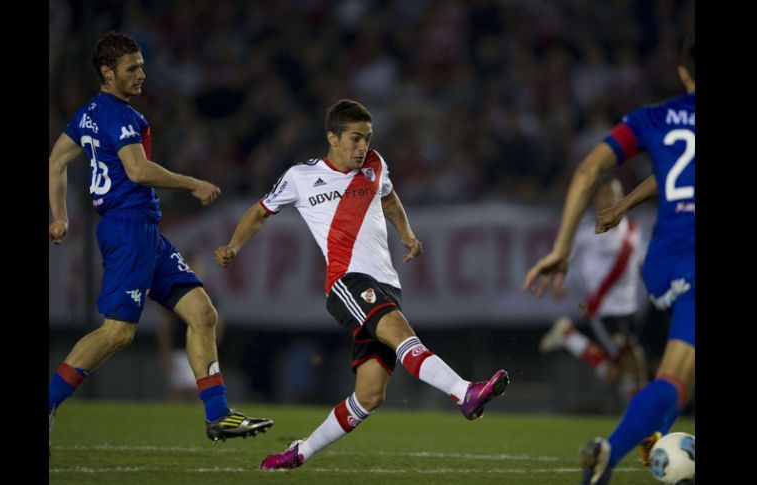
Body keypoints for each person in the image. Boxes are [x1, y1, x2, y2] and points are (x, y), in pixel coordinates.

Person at [215, 99, 510, 470]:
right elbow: (260, 212)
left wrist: (406, 232)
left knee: (369, 396)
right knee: (403, 336)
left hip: (387, 283)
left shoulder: (375, 164)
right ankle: (464, 392)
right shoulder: (300, 177)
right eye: (355, 139)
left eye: (367, 139)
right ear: (333, 138)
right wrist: (232, 246)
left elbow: (388, 197)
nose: (362, 147)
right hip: (346, 281)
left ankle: (298, 451)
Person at [48, 31, 272, 452]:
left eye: (142, 66)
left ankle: (218, 414)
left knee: (202, 313)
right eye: (132, 68)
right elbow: (137, 171)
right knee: (117, 333)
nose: (141, 74)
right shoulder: (121, 116)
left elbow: (56, 160)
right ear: (106, 72)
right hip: (128, 228)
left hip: (145, 232)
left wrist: (60, 216)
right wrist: (191, 183)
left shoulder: (88, 114)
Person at [523, 35, 694, 485]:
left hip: (668, 257)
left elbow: (587, 171)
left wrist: (562, 247)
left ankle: (620, 450)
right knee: (664, 373)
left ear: (682, 73)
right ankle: (617, 448)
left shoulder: (650, 118)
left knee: (673, 379)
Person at [538, 177, 648, 403]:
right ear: (596, 200)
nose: (609, 199)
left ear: (622, 198)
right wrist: (559, 280)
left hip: (628, 307)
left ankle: (568, 336)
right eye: (604, 194)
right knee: (633, 364)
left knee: (623, 371)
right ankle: (642, 424)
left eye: (614, 194)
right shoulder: (589, 231)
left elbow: (644, 261)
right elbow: (566, 255)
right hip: (604, 308)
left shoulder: (633, 229)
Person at [158, 252, 225, 403]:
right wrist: (165, 351)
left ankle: (198, 422)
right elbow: (166, 327)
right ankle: (174, 423)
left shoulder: (208, 295)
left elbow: (218, 324)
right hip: (180, 349)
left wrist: (212, 347)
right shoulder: (175, 292)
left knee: (200, 390)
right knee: (178, 389)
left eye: (198, 267)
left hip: (200, 348)